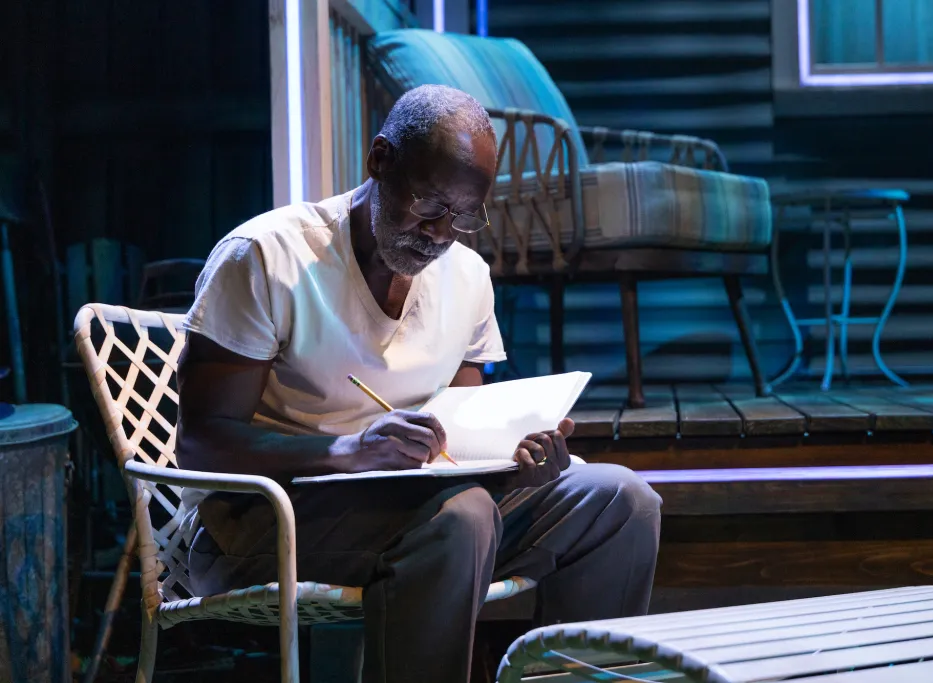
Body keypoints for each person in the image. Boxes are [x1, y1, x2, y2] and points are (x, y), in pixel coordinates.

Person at [177, 84, 662, 683]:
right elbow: (201, 441)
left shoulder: (466, 276)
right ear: (381, 160)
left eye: (464, 216)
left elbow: (462, 435)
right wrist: (347, 451)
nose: (439, 233)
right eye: (429, 204)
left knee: (619, 500)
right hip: (263, 521)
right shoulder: (268, 257)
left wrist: (518, 458)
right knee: (460, 517)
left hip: (422, 504)